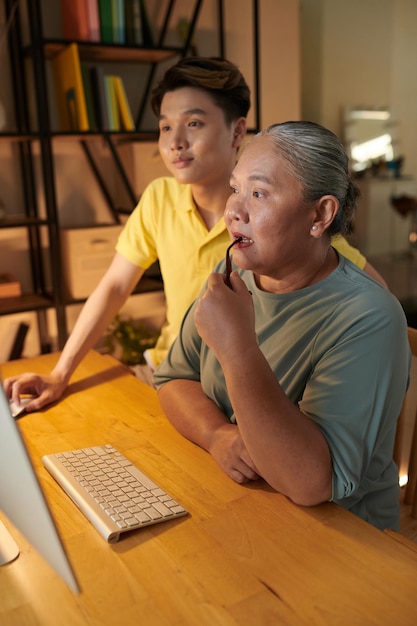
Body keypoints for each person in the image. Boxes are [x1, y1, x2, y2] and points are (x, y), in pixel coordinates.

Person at [4, 57, 386, 410]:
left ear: (237, 131)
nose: (175, 142)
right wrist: (60, 374)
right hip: (172, 375)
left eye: (194, 123)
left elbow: (375, 298)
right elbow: (114, 288)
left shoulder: (281, 224)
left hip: (243, 388)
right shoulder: (160, 198)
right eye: (166, 126)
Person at [154, 121, 410, 531]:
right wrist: (217, 434)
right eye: (235, 188)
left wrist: (237, 348)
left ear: (320, 214)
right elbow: (172, 379)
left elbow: (312, 482)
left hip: (341, 542)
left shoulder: (368, 316)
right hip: (235, 508)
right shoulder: (233, 285)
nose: (234, 209)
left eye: (258, 193)